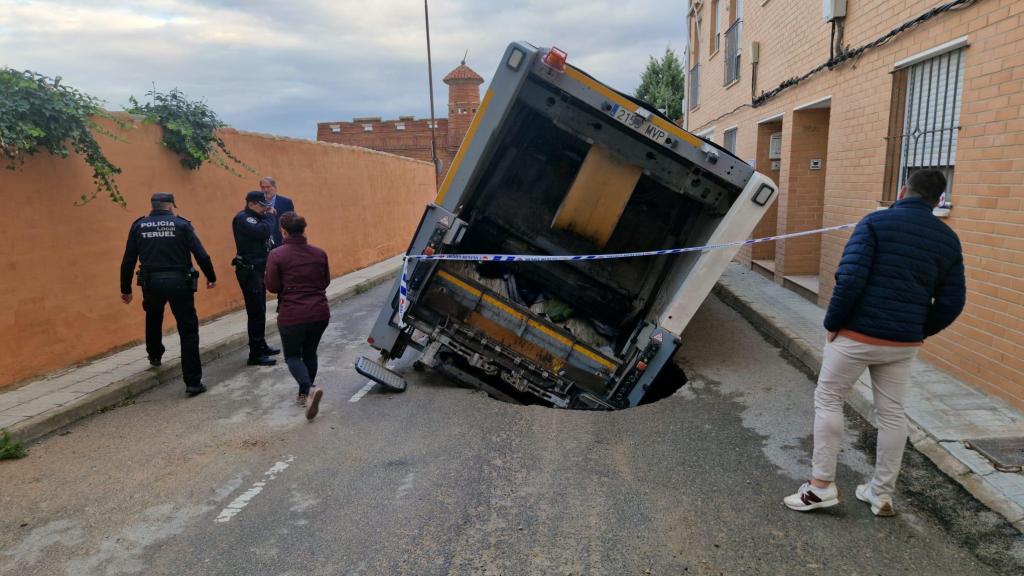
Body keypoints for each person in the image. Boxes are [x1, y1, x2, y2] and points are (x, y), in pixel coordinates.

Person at [784, 169, 966, 517]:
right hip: (903, 343)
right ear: (939, 200)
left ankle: (820, 486)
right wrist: (919, 329)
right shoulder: (947, 239)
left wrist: (833, 323)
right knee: (892, 413)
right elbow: (952, 301)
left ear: (902, 191)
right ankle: (881, 494)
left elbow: (849, 280)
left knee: (829, 399)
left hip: (856, 335)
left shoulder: (874, 224)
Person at [120, 192, 216, 396]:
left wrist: (125, 289)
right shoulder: (181, 225)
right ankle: (192, 382)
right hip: (180, 283)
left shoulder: (139, 226)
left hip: (151, 283)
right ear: (171, 206)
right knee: (188, 330)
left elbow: (128, 259)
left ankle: (154, 355)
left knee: (153, 317)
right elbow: (201, 254)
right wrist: (211, 276)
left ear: (153, 206)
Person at [265, 212, 330, 420]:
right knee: (310, 353)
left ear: (283, 231)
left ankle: (308, 389)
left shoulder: (277, 255)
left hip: (292, 313)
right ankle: (305, 395)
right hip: (319, 312)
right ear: (304, 229)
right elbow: (325, 281)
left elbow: (273, 286)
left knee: (293, 356)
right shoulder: (319, 253)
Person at [232, 190, 281, 366]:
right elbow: (263, 232)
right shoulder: (244, 218)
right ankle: (255, 354)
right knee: (255, 312)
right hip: (249, 271)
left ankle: (261, 345)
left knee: (260, 310)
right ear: (251, 203)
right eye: (262, 206)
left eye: (267, 207)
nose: (265, 209)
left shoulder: (257, 217)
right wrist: (271, 218)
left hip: (258, 270)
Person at [259, 176, 294, 249]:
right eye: (263, 187)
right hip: (261, 245)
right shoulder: (256, 204)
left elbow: (292, 223)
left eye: (268, 187)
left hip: (281, 243)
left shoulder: (286, 202)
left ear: (275, 187)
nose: (265, 190)